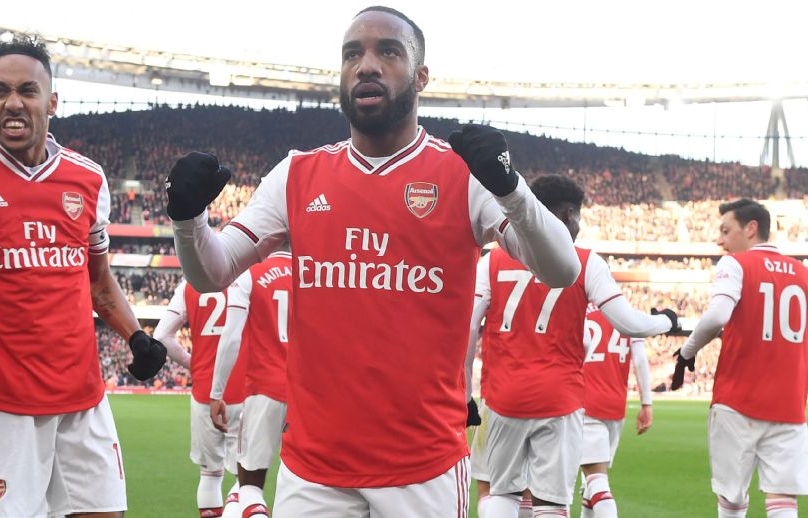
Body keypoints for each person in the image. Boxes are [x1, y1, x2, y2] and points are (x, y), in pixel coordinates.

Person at [164, 7, 581, 515]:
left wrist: (512, 189)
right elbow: (212, 273)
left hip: (423, 467)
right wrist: (188, 219)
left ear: (421, 76)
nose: (366, 64)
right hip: (312, 469)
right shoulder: (296, 174)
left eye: (388, 51)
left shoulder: (463, 175)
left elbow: (561, 269)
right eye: (352, 54)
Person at [0, 35, 167, 518]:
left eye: (27, 90)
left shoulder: (89, 179)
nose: (13, 103)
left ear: (53, 101)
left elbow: (98, 282)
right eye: (0, 91)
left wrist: (136, 337)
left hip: (81, 394)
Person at [467, 174, 678, 518]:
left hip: (503, 397)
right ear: (568, 215)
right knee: (550, 503)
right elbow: (629, 324)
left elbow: (469, 326)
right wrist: (667, 321)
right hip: (560, 399)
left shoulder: (492, 261)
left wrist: (465, 393)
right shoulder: (587, 261)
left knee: (503, 494)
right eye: (578, 217)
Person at [671, 198, 808, 518]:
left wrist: (686, 352)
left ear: (751, 228)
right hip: (789, 407)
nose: (719, 240)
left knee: (732, 500)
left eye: (726, 231)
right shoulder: (803, 274)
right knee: (783, 502)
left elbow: (716, 316)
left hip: (737, 402)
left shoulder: (735, 264)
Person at [208, 245, 293, 517]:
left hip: (264, 390)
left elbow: (231, 337)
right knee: (303, 486)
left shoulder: (250, 274)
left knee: (250, 487)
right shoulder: (313, 274)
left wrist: (216, 393)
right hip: (306, 396)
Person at [152, 279, 243, 518]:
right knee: (246, 478)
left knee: (210, 473)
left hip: (204, 391)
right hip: (243, 388)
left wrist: (193, 363)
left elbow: (161, 335)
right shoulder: (248, 279)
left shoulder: (189, 285)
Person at [574, 307, 655, 518]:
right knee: (591, 480)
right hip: (615, 407)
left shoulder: (579, 306)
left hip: (584, 402)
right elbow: (640, 359)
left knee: (595, 480)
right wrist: (646, 403)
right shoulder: (625, 310)